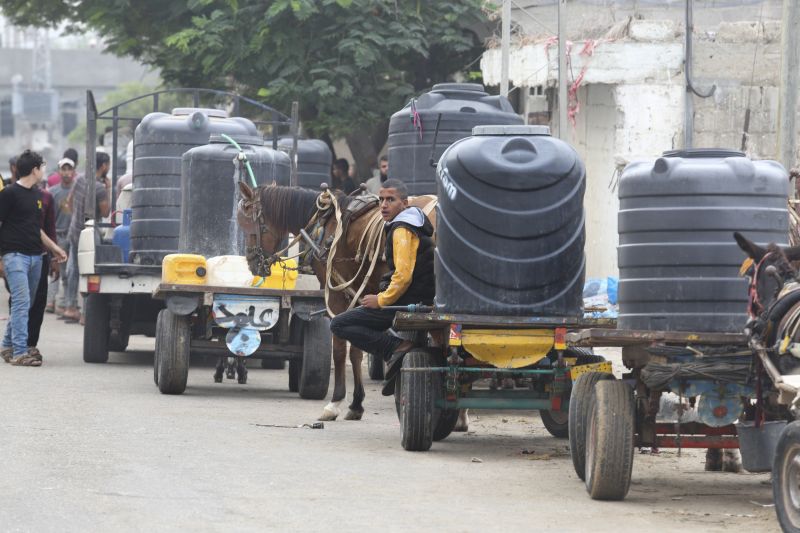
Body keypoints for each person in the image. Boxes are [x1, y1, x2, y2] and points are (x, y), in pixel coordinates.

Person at [329, 179, 435, 387]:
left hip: (406, 301)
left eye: (390, 200)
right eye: (381, 200)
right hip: (416, 296)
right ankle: (397, 353)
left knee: (339, 324)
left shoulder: (401, 229)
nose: (384, 205)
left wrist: (381, 300)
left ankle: (396, 348)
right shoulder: (412, 223)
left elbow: (403, 276)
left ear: (404, 204)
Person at [0, 150, 67, 366]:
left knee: (25, 304)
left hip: (36, 257)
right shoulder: (9, 193)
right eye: (42, 167)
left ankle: (7, 345)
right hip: (14, 257)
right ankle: (20, 352)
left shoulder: (38, 196)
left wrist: (55, 249)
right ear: (34, 169)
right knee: (21, 302)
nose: (44, 171)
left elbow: (37, 230)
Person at [63, 152, 111, 323]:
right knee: (90, 272)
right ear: (104, 165)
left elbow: (68, 202)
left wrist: (76, 216)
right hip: (90, 235)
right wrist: (109, 189)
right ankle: (85, 313)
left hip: (74, 231)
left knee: (74, 270)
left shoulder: (79, 179)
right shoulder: (99, 188)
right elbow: (106, 212)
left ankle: (69, 307)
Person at [46, 157, 76, 314]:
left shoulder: (77, 190)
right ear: (59, 171)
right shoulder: (52, 192)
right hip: (58, 236)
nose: (66, 173)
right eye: (63, 169)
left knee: (72, 271)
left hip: (73, 235)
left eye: (69, 169)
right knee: (59, 271)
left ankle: (67, 303)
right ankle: (54, 302)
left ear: (73, 171)